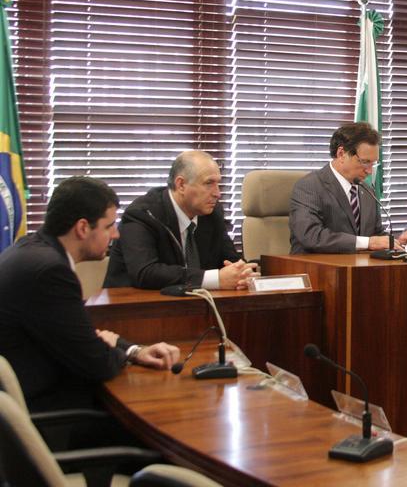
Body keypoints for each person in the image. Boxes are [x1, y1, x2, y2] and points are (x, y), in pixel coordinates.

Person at [0, 177, 180, 412]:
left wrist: (134, 351)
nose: (115, 235)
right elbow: (98, 363)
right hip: (46, 409)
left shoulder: (30, 250)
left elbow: (81, 335)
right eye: (109, 226)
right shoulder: (50, 272)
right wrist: (110, 349)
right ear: (83, 228)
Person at [105, 150, 257, 289]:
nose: (217, 193)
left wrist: (242, 273)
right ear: (181, 185)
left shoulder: (212, 213)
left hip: (197, 303)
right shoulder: (143, 214)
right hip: (136, 305)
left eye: (218, 183)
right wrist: (214, 279)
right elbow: (145, 272)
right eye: (209, 183)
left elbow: (231, 260)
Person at [289, 122, 407, 254]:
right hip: (316, 265)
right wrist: (368, 243)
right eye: (365, 162)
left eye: (373, 164)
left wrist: (396, 242)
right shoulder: (309, 186)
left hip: (358, 265)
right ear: (341, 154)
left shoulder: (366, 190)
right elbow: (311, 236)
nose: (370, 171)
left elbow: (375, 234)